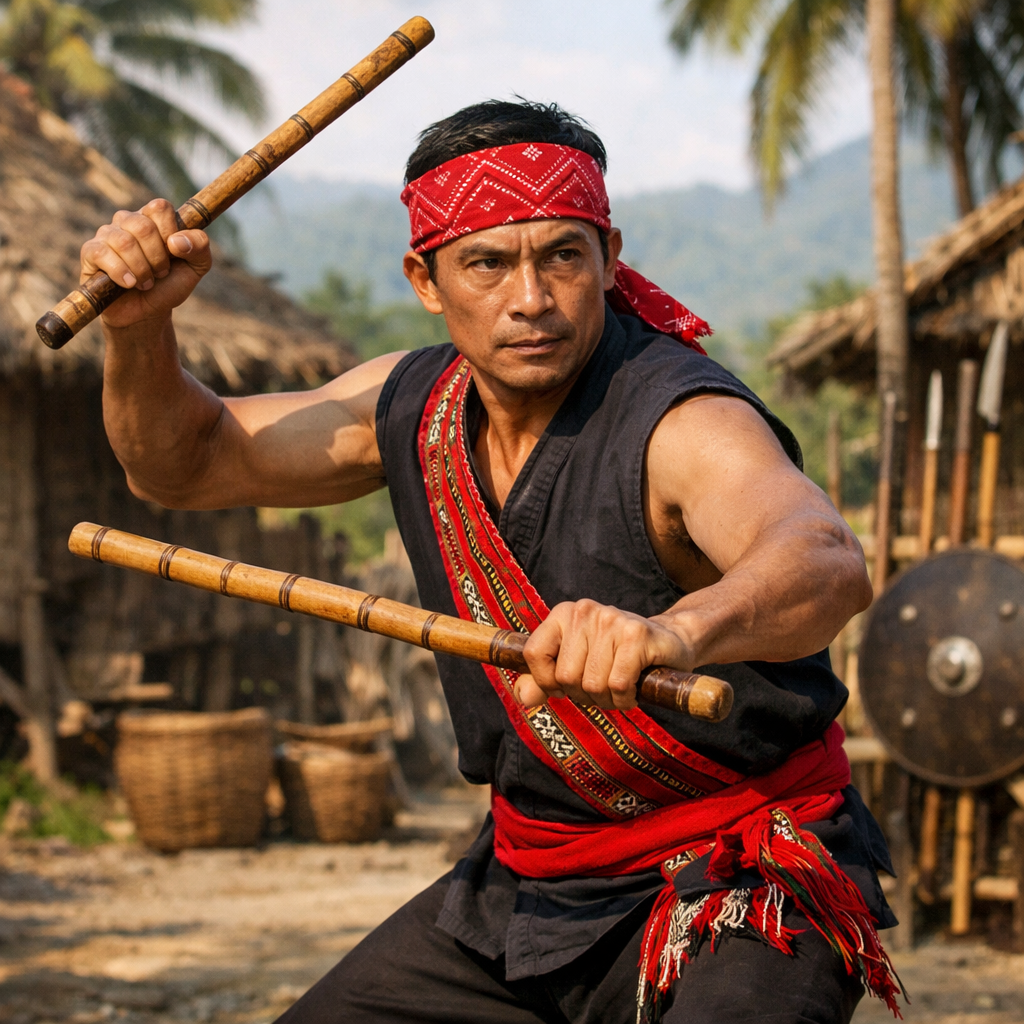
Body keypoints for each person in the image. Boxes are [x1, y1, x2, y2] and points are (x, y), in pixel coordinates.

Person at [83, 99, 901, 1024]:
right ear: (425, 280)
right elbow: (183, 465)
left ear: (608, 255)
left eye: (563, 255)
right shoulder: (408, 405)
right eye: (487, 263)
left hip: (744, 878)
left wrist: (672, 632)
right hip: (531, 884)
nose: (531, 299)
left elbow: (824, 557)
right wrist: (138, 329)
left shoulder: (683, 421)